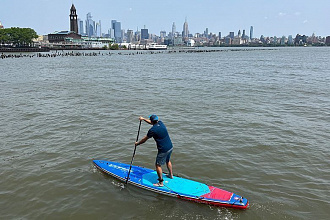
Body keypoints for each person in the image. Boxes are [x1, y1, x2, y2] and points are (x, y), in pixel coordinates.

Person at [135, 114, 173, 187]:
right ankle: (170, 175)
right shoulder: (161, 123)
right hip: (170, 147)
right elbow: (151, 122)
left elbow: (144, 140)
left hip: (163, 149)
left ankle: (161, 183)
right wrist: (143, 119)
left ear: (152, 121)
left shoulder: (152, 130)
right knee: (167, 161)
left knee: (158, 165)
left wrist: (137, 143)